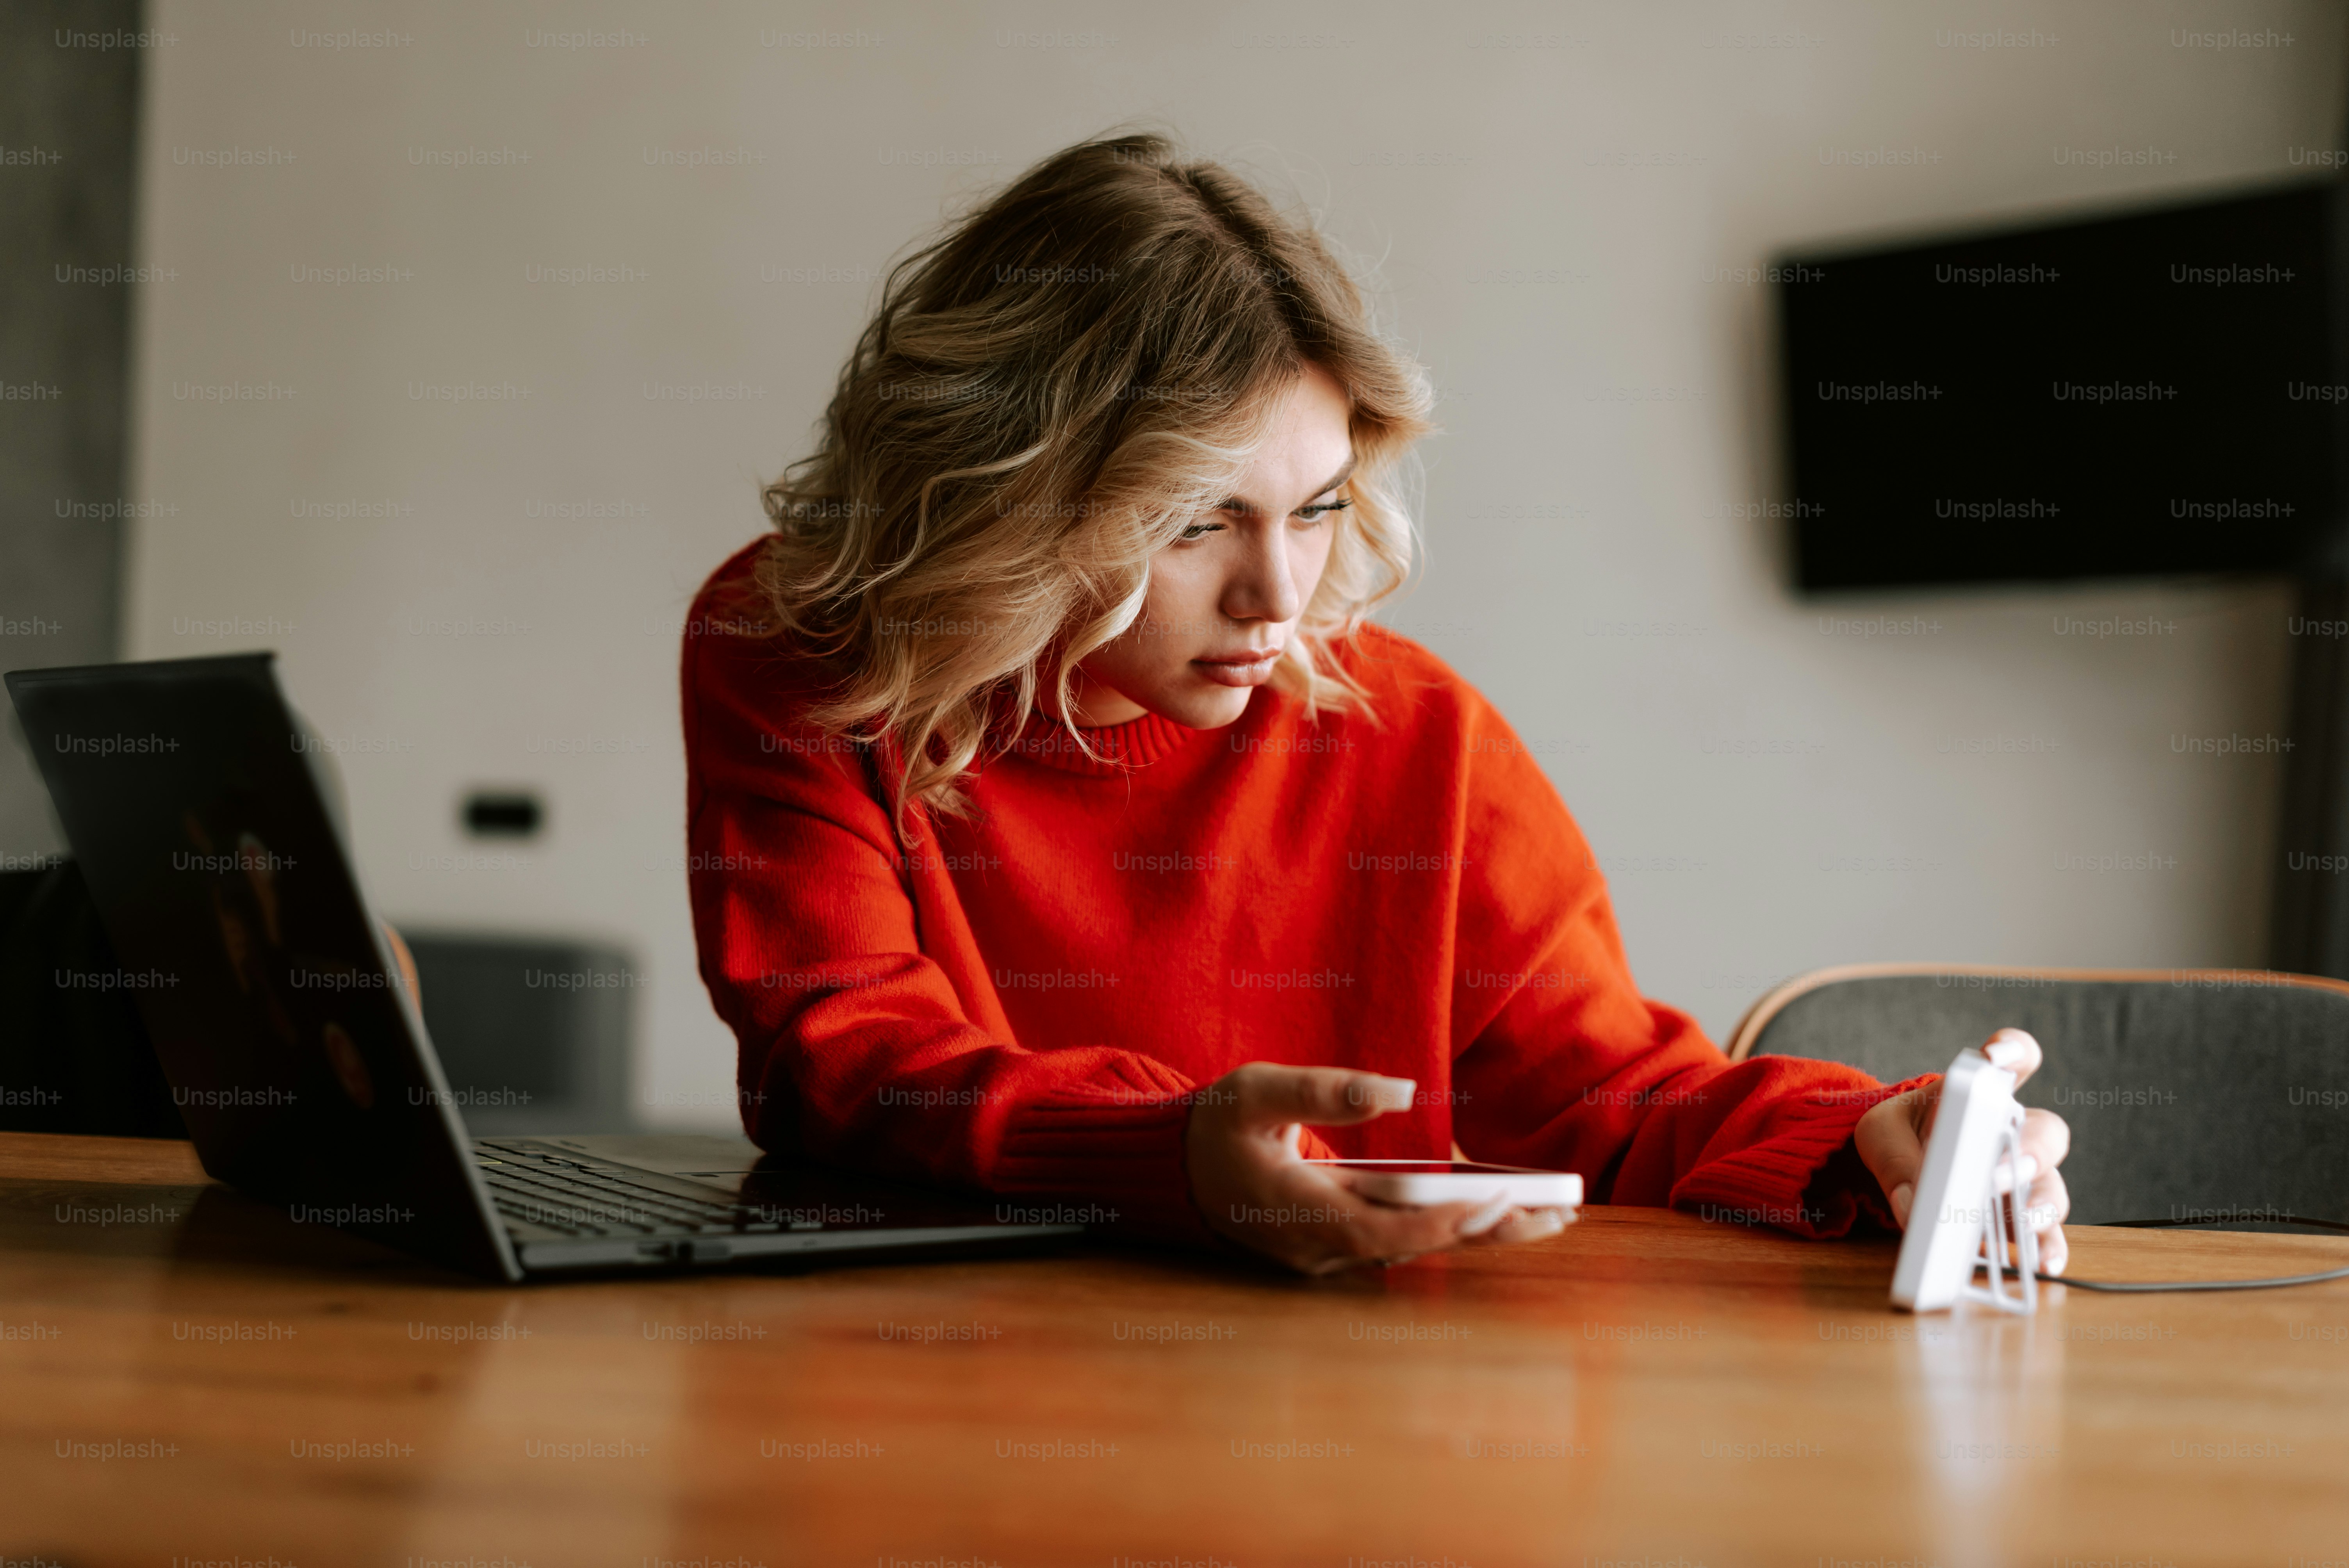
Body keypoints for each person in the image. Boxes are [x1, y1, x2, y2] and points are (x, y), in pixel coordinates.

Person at [681, 132, 2071, 1276]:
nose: (1276, 596)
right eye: (1193, 522)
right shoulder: (796, 651)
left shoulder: (1416, 735)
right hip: (921, 1391)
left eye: (1318, 506)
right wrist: (1175, 1156)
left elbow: (1618, 1098)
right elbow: (846, 1061)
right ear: (1003, 495)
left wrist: (1872, 1133)